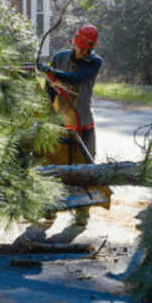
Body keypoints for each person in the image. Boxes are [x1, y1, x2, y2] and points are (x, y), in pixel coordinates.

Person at [37, 25, 102, 226]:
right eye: (79, 47)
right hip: (59, 123)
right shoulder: (59, 57)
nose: (82, 52)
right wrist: (48, 114)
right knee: (52, 168)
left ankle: (82, 211)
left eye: (86, 49)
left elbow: (76, 78)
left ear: (91, 48)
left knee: (84, 170)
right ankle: (49, 208)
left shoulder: (94, 62)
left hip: (83, 123)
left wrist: (52, 71)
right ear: (74, 42)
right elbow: (50, 88)